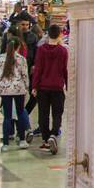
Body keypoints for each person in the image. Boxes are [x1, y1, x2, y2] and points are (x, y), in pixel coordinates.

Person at [32, 24, 68, 153]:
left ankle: (46, 140)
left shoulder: (41, 50)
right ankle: (54, 134)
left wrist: (34, 86)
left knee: (43, 114)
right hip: (57, 87)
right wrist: (68, 85)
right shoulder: (63, 51)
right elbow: (65, 70)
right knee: (57, 113)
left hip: (43, 87)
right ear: (59, 35)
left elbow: (38, 69)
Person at [0, 36, 31, 150]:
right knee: (20, 114)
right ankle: (22, 140)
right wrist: (27, 87)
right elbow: (25, 75)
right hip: (18, 89)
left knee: (7, 116)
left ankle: (5, 143)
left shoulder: (0, 58)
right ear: (18, 47)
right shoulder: (21, 59)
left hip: (5, 90)